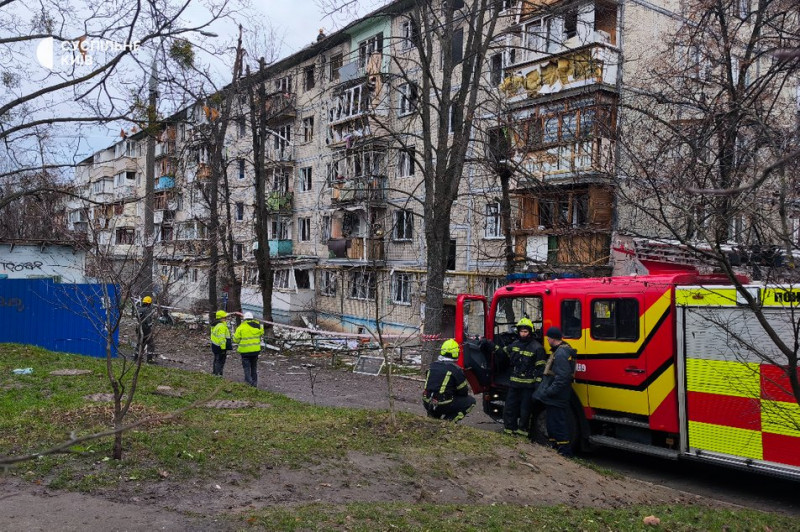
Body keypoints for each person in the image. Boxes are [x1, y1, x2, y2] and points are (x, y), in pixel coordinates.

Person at [483, 318, 547, 436]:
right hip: (514, 384)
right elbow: (503, 353)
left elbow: (540, 369)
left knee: (525, 411)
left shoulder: (537, 348)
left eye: (525, 332)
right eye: (521, 331)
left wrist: (537, 385)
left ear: (530, 332)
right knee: (509, 408)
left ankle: (523, 432)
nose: (523, 334)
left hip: (528, 386)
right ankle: (509, 430)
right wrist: (492, 346)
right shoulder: (515, 344)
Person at [534, 326, 577, 457]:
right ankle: (555, 448)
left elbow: (562, 377)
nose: (547, 339)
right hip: (554, 397)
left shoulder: (561, 353)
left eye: (548, 338)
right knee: (552, 424)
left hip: (557, 397)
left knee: (558, 424)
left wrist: (550, 391)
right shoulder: (560, 350)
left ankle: (564, 452)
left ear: (552, 338)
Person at [422, 339, 476, 422]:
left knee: (438, 401)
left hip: (427, 402)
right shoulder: (456, 370)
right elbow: (463, 392)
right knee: (471, 402)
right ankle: (449, 422)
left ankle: (432, 418)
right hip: (443, 404)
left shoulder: (433, 365)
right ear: (456, 353)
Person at [233, 311, 264, 387]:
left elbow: (235, 340)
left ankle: (249, 382)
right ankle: (254, 383)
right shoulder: (257, 326)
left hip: (245, 351)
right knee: (254, 367)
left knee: (247, 368)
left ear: (244, 319)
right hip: (255, 351)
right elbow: (261, 333)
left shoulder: (241, 327)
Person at [210, 310, 232, 376]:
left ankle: (215, 373)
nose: (226, 319)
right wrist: (223, 348)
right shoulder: (221, 326)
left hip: (215, 345)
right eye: (225, 317)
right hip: (220, 347)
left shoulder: (215, 325)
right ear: (221, 318)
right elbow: (222, 338)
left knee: (216, 360)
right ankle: (218, 374)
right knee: (220, 361)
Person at [137, 295, 156, 363]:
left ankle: (137, 357)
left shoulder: (139, 309)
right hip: (146, 329)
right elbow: (148, 320)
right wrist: (151, 324)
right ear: (149, 303)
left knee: (140, 343)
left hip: (139, 328)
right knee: (151, 344)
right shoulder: (147, 310)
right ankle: (149, 359)